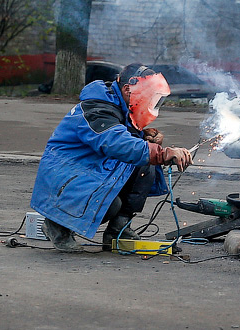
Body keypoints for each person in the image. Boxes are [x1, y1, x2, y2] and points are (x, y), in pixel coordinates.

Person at [30, 64, 192, 252]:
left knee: (145, 166)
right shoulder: (96, 108)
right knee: (109, 204)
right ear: (127, 89)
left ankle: (118, 230)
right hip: (66, 176)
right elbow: (115, 142)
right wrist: (161, 153)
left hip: (87, 169)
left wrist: (145, 138)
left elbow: (122, 137)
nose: (150, 102)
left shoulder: (118, 104)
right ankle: (57, 226)